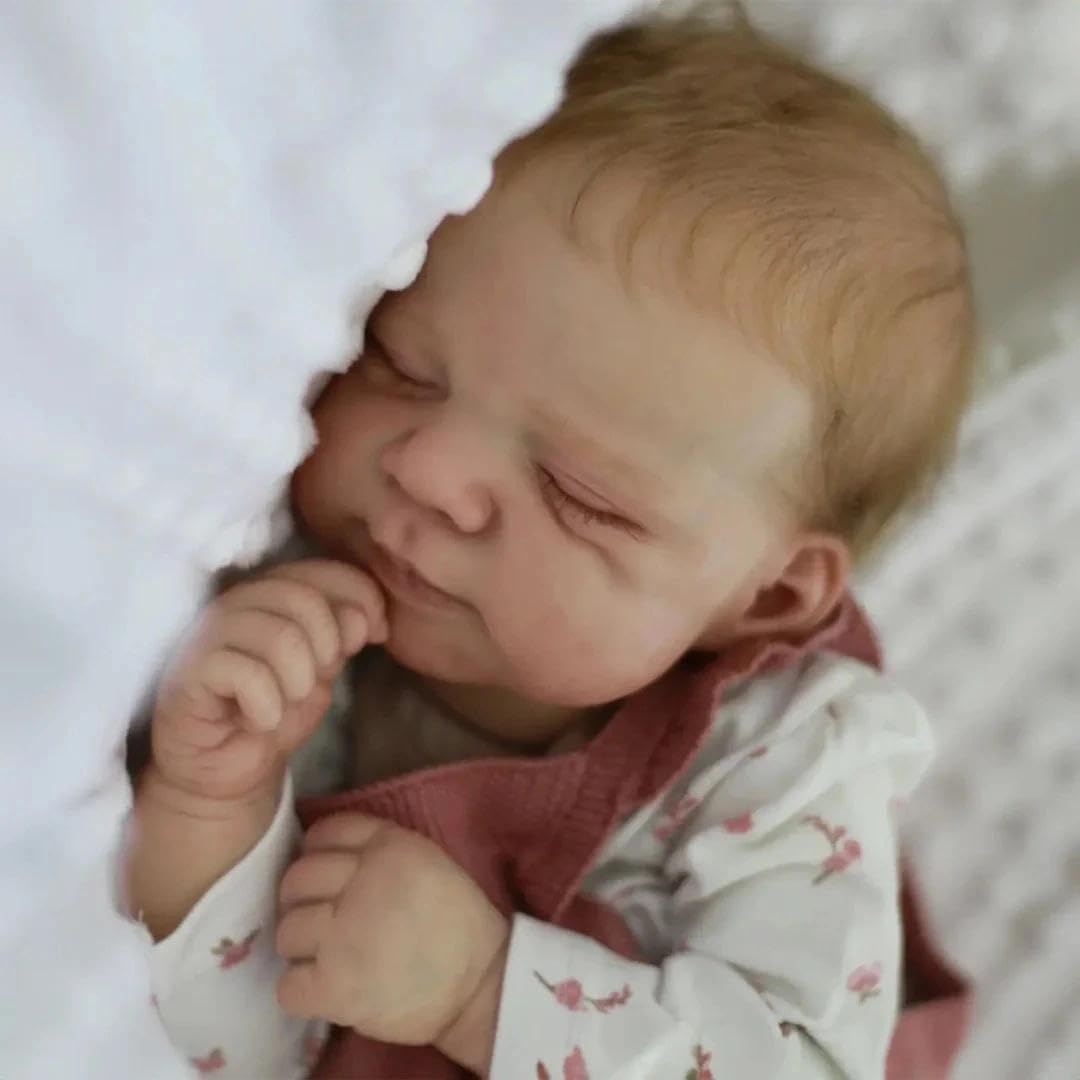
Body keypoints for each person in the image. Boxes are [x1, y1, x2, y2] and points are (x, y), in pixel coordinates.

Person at [127, 10, 974, 1078]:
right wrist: (211, 812)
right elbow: (236, 1051)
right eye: (399, 363)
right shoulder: (282, 605)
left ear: (766, 597)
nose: (428, 470)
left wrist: (481, 993)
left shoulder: (783, 763)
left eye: (578, 493)